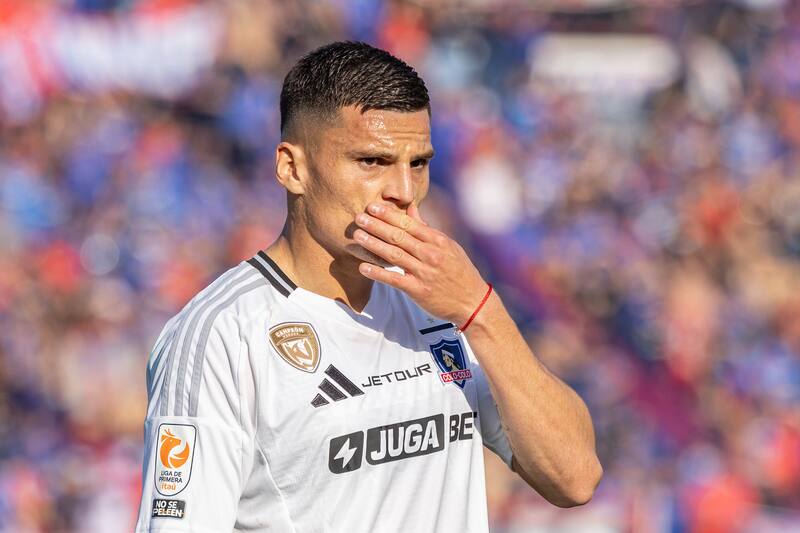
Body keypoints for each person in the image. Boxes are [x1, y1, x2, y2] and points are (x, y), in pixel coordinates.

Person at [134, 41, 602, 532]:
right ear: (293, 169)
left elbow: (575, 477)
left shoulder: (440, 304)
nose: (402, 191)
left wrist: (480, 312)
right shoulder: (221, 335)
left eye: (418, 163)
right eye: (372, 162)